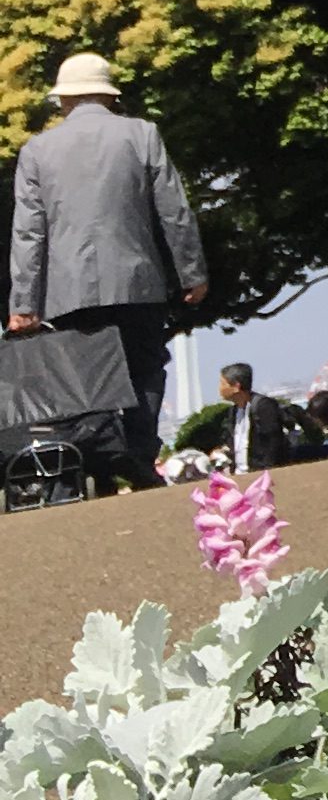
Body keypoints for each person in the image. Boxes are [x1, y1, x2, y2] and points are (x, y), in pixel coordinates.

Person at [5, 55, 209, 487]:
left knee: (81, 382)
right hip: (138, 281)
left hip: (67, 291)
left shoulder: (37, 151)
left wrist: (23, 303)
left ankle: (97, 463)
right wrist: (191, 271)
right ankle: (139, 454)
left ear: (64, 100)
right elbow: (174, 211)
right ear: (108, 95)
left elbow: (28, 233)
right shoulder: (142, 135)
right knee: (145, 369)